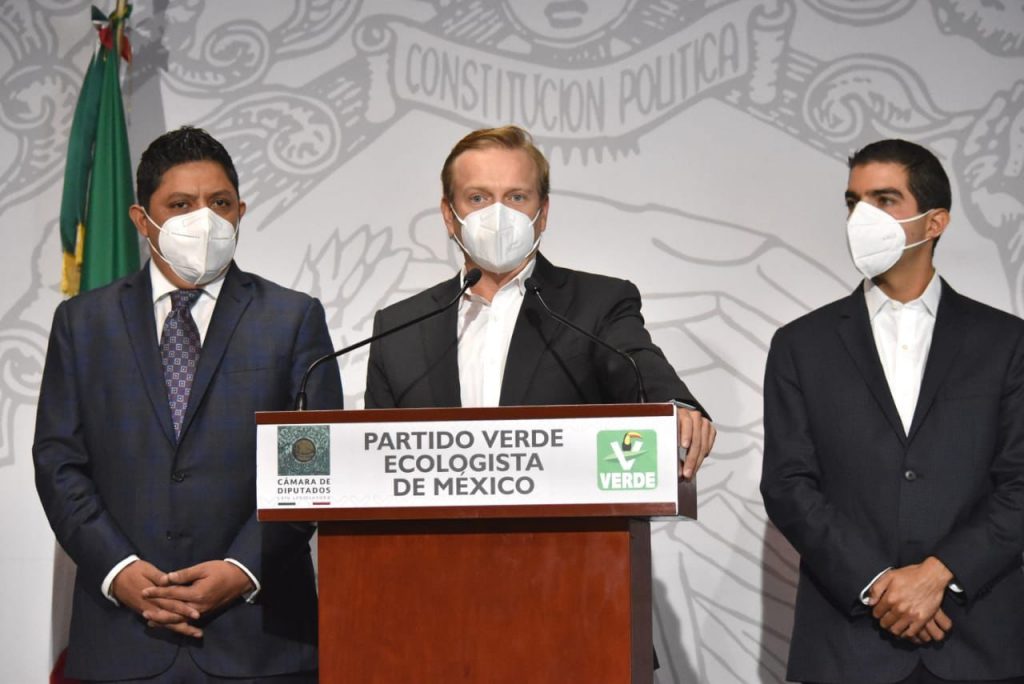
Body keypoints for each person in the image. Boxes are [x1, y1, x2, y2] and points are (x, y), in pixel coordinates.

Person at [33, 126, 342, 682]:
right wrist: (121, 571)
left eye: (219, 203)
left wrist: (243, 568)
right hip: (121, 639)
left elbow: (312, 463)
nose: (204, 219)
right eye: (180, 205)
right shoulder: (83, 323)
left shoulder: (292, 318)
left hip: (260, 642)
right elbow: (59, 463)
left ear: (241, 211)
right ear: (141, 219)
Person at [761, 139, 1024, 684]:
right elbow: (788, 484)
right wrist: (880, 584)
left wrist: (938, 575)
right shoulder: (801, 344)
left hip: (978, 641)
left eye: (884, 200)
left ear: (935, 222)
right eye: (853, 202)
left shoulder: (1006, 342)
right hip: (847, 646)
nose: (863, 218)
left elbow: (1020, 481)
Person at [364, 124, 714, 476]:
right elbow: (374, 465)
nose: (498, 216)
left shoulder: (598, 304)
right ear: (448, 214)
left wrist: (675, 407)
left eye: (516, 197)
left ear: (542, 213)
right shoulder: (398, 329)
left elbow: (639, 364)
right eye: (478, 198)